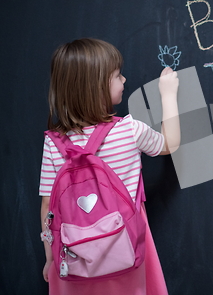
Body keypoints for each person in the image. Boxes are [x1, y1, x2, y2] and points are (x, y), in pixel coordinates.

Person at [39, 38, 180, 295]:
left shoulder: (53, 143)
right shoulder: (129, 130)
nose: (124, 80)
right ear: (96, 87)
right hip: (125, 249)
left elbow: (48, 208)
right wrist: (168, 94)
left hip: (72, 257)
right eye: (118, 76)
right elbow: (170, 144)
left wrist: (50, 259)